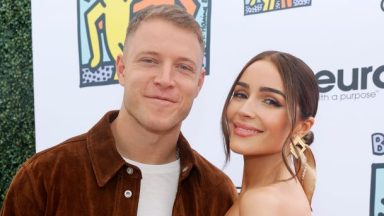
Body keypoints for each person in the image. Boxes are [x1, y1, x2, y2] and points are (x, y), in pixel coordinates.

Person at [1, 5, 237, 216]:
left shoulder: (217, 194)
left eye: (183, 67)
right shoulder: (44, 177)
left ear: (199, 83)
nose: (165, 80)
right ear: (122, 69)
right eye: (149, 61)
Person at [222, 51, 319, 216]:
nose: (245, 110)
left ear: (302, 127)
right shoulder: (271, 194)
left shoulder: (262, 202)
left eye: (270, 101)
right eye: (240, 94)